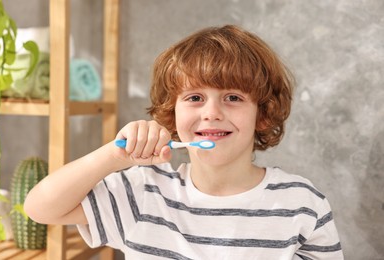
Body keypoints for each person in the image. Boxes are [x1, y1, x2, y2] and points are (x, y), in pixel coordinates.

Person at [24, 25, 344, 259]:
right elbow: (40, 208)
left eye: (232, 97)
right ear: (171, 113)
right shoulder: (143, 193)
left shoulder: (301, 203)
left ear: (262, 114)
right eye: (194, 97)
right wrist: (115, 156)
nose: (212, 113)